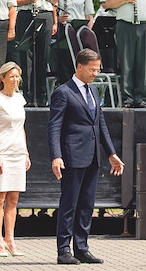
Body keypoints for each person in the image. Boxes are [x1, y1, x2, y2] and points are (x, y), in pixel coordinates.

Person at [47, 48, 124, 265]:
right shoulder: (63, 92)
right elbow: (54, 127)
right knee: (69, 204)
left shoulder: (93, 91)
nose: (95, 74)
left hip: (92, 158)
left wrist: (111, 153)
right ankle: (63, 251)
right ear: (79, 67)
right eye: (92, 70)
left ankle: (81, 247)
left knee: (87, 205)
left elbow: (100, 125)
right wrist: (56, 156)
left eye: (97, 69)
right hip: (72, 156)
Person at [0, 61, 31, 257]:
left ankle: (10, 240)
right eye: (11, 76)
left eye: (17, 76)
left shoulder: (20, 99)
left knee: (14, 197)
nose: (15, 80)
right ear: (3, 78)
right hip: (2, 151)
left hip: (18, 152)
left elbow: (21, 128)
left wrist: (26, 153)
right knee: (0, 196)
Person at [11, 0, 60, 106]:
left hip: (44, 16)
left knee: (42, 56)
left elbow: (54, 0)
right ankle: (28, 96)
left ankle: (41, 96)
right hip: (25, 15)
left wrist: (54, 21)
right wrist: (27, 0)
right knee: (26, 58)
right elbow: (12, 1)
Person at [57, 0, 95, 82]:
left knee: (80, 63)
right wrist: (58, 19)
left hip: (79, 32)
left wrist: (88, 35)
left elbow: (89, 16)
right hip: (64, 32)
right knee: (64, 65)